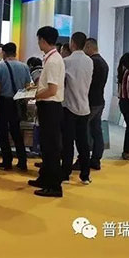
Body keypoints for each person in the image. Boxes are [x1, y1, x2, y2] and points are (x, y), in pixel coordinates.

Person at [29, 26, 65, 198]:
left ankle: (54, 185)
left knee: (51, 147)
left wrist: (34, 95)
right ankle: (44, 178)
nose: (38, 43)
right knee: (46, 145)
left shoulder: (53, 61)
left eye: (38, 40)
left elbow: (52, 90)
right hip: (48, 107)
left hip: (51, 106)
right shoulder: (51, 59)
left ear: (43, 40)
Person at [0, 42, 32, 171]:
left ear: (4, 53)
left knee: (3, 132)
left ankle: (7, 161)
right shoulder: (24, 67)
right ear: (15, 52)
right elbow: (27, 86)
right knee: (16, 132)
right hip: (18, 101)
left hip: (3, 102)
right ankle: (22, 161)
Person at [61, 32, 93, 185]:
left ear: (72, 43)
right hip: (84, 106)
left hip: (69, 106)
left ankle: (65, 174)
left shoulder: (66, 61)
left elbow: (62, 83)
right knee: (83, 142)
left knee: (67, 143)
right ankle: (85, 175)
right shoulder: (89, 61)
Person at [77, 38, 109, 171]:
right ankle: (96, 159)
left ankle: (82, 160)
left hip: (90, 101)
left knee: (82, 131)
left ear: (89, 46)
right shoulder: (104, 63)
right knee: (96, 131)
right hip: (99, 101)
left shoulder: (91, 62)